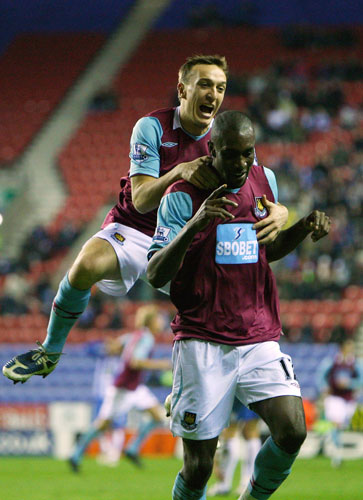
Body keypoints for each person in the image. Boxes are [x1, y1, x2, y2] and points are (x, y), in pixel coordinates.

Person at [3, 54, 288, 384]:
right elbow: (140, 200)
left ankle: (192, 389)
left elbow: (256, 187)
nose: (213, 94)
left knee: (214, 305)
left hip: (186, 238)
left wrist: (279, 211)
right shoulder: (152, 127)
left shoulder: (226, 136)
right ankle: (50, 352)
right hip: (135, 228)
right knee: (84, 266)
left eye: (221, 87)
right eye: (205, 85)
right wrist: (179, 172)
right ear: (183, 89)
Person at [147, 110, 331, 500]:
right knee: (199, 469)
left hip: (257, 336)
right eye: (232, 154)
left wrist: (302, 225)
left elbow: (266, 249)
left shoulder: (265, 181)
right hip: (202, 341)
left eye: (248, 153)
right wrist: (194, 226)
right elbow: (154, 274)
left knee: (293, 430)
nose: (242, 163)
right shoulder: (181, 197)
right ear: (212, 149)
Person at [68, 304, 171, 471]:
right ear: (151, 321)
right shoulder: (147, 339)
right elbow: (135, 362)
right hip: (123, 389)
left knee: (158, 416)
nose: (161, 322)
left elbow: (116, 345)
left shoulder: (134, 336)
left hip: (135, 387)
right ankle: (76, 453)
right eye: (158, 319)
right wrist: (161, 364)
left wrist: (112, 348)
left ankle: (132, 448)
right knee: (103, 424)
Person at [316, 338, 363, 467]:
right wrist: (324, 388)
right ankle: (337, 454)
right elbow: (321, 376)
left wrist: (350, 384)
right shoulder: (332, 362)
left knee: (342, 425)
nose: (351, 349)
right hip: (335, 397)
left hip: (349, 398)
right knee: (337, 424)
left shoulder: (355, 363)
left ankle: (330, 443)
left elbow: (361, 380)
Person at [208, 400, 261, 497]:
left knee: (230, 429)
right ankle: (248, 483)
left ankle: (224, 484)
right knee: (251, 429)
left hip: (235, 388)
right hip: (256, 389)